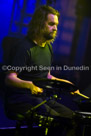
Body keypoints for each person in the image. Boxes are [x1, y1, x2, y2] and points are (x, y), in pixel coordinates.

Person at [5, 5, 80, 136]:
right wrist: (29, 85)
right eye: (51, 24)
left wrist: (68, 85)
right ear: (39, 24)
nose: (55, 28)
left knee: (72, 117)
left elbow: (47, 76)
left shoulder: (48, 47)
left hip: (40, 98)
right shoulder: (25, 48)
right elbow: (9, 78)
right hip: (20, 99)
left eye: (56, 24)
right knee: (58, 121)